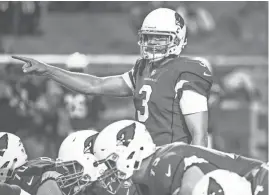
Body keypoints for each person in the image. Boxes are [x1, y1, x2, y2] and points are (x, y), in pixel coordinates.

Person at [12, 7, 213, 147]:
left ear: (177, 39)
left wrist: (190, 172)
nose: (151, 43)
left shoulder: (187, 72)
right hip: (144, 159)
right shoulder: (143, 68)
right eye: (148, 37)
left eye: (159, 38)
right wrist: (48, 70)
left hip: (172, 160)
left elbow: (199, 136)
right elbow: (94, 85)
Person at [92, 120, 263, 195]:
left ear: (129, 154)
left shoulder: (164, 162)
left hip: (260, 181)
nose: (108, 170)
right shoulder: (145, 180)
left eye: (110, 162)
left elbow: (194, 182)